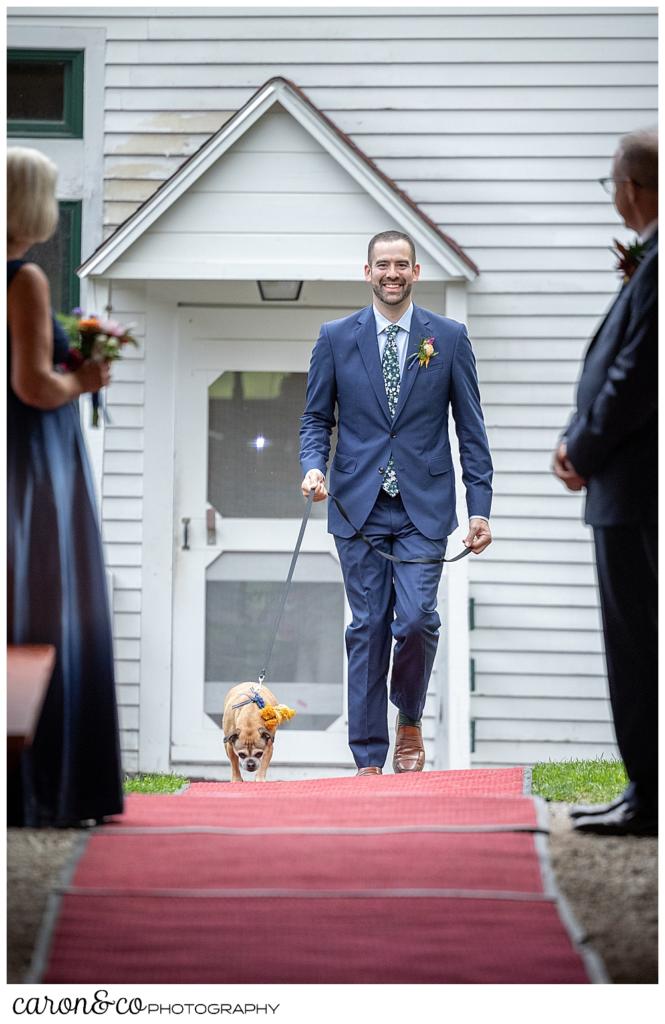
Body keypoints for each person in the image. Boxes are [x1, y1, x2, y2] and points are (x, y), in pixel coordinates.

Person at [300, 231, 493, 775]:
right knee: (368, 625)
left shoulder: (448, 338)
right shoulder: (336, 337)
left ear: (416, 272)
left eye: (401, 265)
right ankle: (367, 757)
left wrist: (479, 511)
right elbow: (317, 417)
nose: (392, 273)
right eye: (382, 265)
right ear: (367, 272)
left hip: (424, 508)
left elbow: (472, 432)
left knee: (415, 619)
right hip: (356, 506)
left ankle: (408, 718)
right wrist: (313, 466)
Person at [7, 147, 124, 827]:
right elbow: (30, 384)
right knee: (48, 601)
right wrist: (81, 379)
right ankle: (47, 786)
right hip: (33, 459)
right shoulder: (22, 280)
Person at [552, 130, 658, 836]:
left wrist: (582, 447)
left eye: (610, 183)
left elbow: (635, 376)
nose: (611, 196)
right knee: (633, 644)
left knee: (637, 647)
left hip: (634, 490)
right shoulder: (646, 261)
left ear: (633, 185)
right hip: (619, 484)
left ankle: (648, 799)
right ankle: (641, 789)